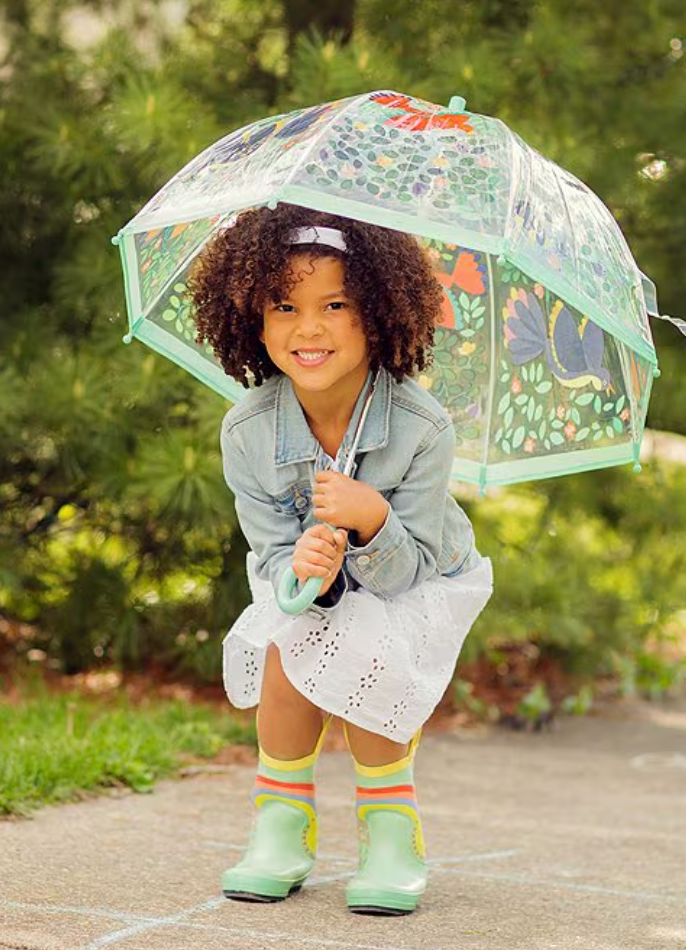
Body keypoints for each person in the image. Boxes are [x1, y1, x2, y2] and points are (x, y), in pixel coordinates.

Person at [188, 202, 493, 916]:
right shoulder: (247, 432)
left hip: (421, 579)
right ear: (252, 319)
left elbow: (410, 566)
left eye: (334, 305)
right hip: (316, 582)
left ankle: (391, 832)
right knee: (285, 644)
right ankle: (281, 826)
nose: (309, 328)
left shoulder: (421, 427)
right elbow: (269, 555)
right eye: (284, 307)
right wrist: (309, 577)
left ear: (377, 314)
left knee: (374, 652)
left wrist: (372, 517)